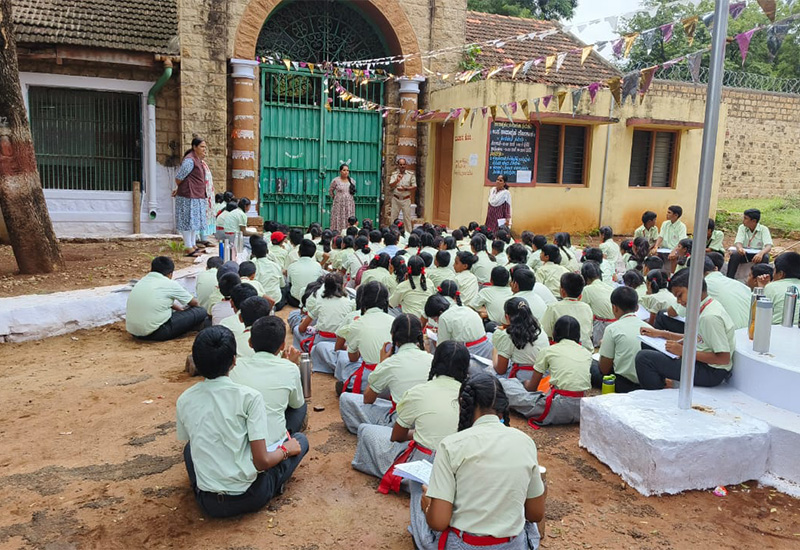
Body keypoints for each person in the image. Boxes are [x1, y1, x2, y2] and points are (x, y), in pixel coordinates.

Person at [176, 326, 309, 518]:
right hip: (251, 496)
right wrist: (286, 449)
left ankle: (209, 484)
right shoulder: (250, 397)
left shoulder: (185, 399)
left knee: (190, 449)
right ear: (233, 361)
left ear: (196, 361)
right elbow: (262, 461)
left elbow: (190, 439)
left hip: (208, 503)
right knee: (300, 441)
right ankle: (275, 482)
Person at [414, 373, 545, 550]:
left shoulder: (451, 445)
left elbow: (438, 522)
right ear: (502, 406)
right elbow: (535, 514)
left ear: (464, 404)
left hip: (464, 544)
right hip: (512, 544)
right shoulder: (525, 442)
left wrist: (429, 506)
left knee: (417, 491)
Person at [351, 341, 469, 494]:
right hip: (459, 467)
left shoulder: (420, 391)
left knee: (366, 430)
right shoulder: (470, 396)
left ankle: (419, 485)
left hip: (424, 462)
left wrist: (418, 433)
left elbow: (397, 436)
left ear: (435, 361)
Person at [636, 269, 735, 390]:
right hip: (702, 362)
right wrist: (660, 334)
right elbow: (697, 338)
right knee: (647, 345)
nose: (678, 301)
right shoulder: (705, 306)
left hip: (711, 371)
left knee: (644, 358)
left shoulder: (710, 317)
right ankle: (663, 383)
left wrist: (684, 352)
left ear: (695, 288)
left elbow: (723, 358)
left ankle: (658, 394)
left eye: (679, 295)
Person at [339, 314, 432, 434]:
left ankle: (382, 432)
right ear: (420, 336)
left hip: (401, 424)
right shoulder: (432, 359)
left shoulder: (389, 363)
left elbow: (368, 399)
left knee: (346, 399)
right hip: (427, 420)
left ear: (393, 335)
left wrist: (381, 364)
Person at [501, 316, 591, 426]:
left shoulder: (548, 351)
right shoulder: (586, 353)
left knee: (505, 385)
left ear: (554, 333)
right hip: (582, 409)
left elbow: (531, 387)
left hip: (557, 408)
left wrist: (523, 383)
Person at [230, 315, 308, 443]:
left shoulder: (236, 366)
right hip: (271, 450)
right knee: (301, 407)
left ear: (250, 342)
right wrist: (291, 364)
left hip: (238, 441)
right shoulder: (290, 368)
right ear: (282, 346)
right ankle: (286, 437)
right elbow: (296, 404)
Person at [126, 256, 206, 341]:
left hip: (134, 332)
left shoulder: (142, 281)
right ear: (170, 274)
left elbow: (159, 301)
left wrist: (179, 310)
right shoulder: (169, 283)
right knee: (200, 311)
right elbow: (194, 303)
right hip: (157, 333)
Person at [341, 281, 395, 394]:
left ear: (362, 299)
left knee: (344, 361)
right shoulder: (394, 321)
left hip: (370, 382)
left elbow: (353, 358)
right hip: (394, 381)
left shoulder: (358, 323)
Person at [593, 287, 648, 393]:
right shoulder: (650, 329)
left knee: (592, 366)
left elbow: (604, 369)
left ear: (614, 308)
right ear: (637, 307)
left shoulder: (612, 329)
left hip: (624, 385)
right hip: (646, 384)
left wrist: (604, 347)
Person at [425, 282, 493, 362]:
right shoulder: (466, 309)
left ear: (440, 312)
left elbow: (442, 347)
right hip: (486, 348)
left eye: (435, 319)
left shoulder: (444, 317)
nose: (436, 322)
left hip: (470, 352)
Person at [491, 297, 549, 383]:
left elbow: (500, 370)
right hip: (545, 375)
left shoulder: (508, 335)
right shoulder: (539, 327)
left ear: (507, 317)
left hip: (524, 377)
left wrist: (495, 351)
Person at [297, 272, 354, 357]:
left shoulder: (320, 301)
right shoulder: (349, 302)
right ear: (343, 286)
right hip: (342, 341)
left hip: (322, 339)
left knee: (296, 329)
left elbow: (301, 328)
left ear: (324, 287)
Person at [172, 137, 210, 256]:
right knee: (187, 221)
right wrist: (180, 188)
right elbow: (179, 178)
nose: (204, 149)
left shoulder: (197, 160)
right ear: (194, 147)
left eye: (205, 147)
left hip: (196, 195)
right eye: (202, 147)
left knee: (194, 222)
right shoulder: (190, 161)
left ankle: (193, 245)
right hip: (188, 196)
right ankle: (188, 247)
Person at [540, 273, 593, 352]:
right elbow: (589, 333)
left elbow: (545, 333)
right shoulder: (587, 308)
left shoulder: (553, 308)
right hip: (586, 351)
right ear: (580, 294)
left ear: (562, 291)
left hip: (562, 352)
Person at [703, 254, 750, 330]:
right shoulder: (741, 285)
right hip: (750, 334)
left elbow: (679, 312)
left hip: (728, 337)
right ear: (715, 268)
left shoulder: (703, 286)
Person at [727, 208, 773, 279]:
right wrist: (740, 248)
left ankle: (762, 279)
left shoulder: (764, 229)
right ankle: (729, 278)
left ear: (754, 221)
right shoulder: (742, 228)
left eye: (746, 218)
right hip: (745, 253)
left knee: (765, 257)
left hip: (758, 254)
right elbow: (738, 242)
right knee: (735, 255)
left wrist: (761, 253)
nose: (743, 220)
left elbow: (768, 246)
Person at [579, 261, 615, 347]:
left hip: (601, 326)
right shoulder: (609, 287)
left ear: (585, 277)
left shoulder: (587, 289)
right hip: (614, 324)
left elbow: (581, 310)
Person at [760, 251, 800, 325]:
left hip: (778, 330)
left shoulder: (772, 287)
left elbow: (760, 315)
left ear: (781, 274)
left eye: (774, 270)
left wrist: (763, 288)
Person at [389, 255, 433, 319]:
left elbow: (391, 304)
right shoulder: (430, 283)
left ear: (408, 269)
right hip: (425, 319)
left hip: (408, 320)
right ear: (423, 268)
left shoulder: (403, 286)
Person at [285, 239, 326, 308]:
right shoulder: (317, 266)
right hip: (313, 299)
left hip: (295, 301)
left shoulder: (292, 266)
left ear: (298, 252)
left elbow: (289, 282)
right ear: (313, 253)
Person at [471, 266, 513, 330]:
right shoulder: (512, 291)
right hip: (511, 326)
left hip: (495, 326)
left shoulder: (486, 291)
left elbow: (472, 307)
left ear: (491, 280)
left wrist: (483, 311)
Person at [250, 237, 282, 310]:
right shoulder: (276, 265)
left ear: (252, 253)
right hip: (276, 301)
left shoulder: (252, 265)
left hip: (258, 302)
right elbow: (282, 284)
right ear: (267, 251)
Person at [388, 157, 417, 229]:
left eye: (404, 164)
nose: (402, 166)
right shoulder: (394, 174)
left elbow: (414, 186)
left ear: (406, 165)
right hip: (396, 199)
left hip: (406, 199)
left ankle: (408, 235)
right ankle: (392, 234)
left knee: (407, 219)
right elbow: (390, 185)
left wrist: (405, 188)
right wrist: (397, 181)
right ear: (398, 165)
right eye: (400, 164)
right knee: (393, 218)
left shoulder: (410, 174)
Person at [329, 164, 356, 233]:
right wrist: (336, 198)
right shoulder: (336, 180)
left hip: (349, 204)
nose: (346, 172)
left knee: (348, 217)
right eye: (344, 170)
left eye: (347, 170)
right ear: (340, 171)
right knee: (338, 217)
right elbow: (330, 191)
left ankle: (349, 233)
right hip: (338, 204)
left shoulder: (352, 181)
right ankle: (337, 233)